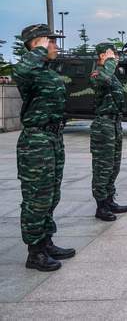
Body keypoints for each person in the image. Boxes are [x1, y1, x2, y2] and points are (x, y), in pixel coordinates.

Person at [13, 24, 74, 271]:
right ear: (38, 43)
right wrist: (38, 47)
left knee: (51, 194)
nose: (56, 46)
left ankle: (46, 241)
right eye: (52, 41)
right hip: (35, 142)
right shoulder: (29, 70)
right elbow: (23, 68)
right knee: (36, 198)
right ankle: (34, 252)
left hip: (52, 139)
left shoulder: (46, 71)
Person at [90, 43, 127, 221]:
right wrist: (109, 62)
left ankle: (109, 199)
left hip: (114, 123)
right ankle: (101, 206)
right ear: (102, 56)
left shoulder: (111, 74)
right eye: (112, 53)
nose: (116, 56)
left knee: (114, 165)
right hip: (103, 125)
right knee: (102, 167)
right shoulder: (98, 73)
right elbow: (104, 80)